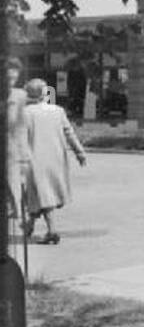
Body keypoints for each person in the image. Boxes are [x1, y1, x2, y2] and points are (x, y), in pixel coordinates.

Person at [22, 78, 86, 245]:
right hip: (55, 158)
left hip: (34, 159)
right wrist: (80, 152)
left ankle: (51, 231)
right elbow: (69, 132)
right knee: (41, 193)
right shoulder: (58, 110)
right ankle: (30, 225)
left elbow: (19, 138)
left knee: (42, 193)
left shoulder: (25, 113)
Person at [6, 58, 29, 223]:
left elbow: (23, 124)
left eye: (14, 78)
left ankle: (17, 208)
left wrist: (24, 150)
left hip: (12, 144)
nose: (11, 82)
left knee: (12, 177)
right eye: (8, 78)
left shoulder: (20, 95)